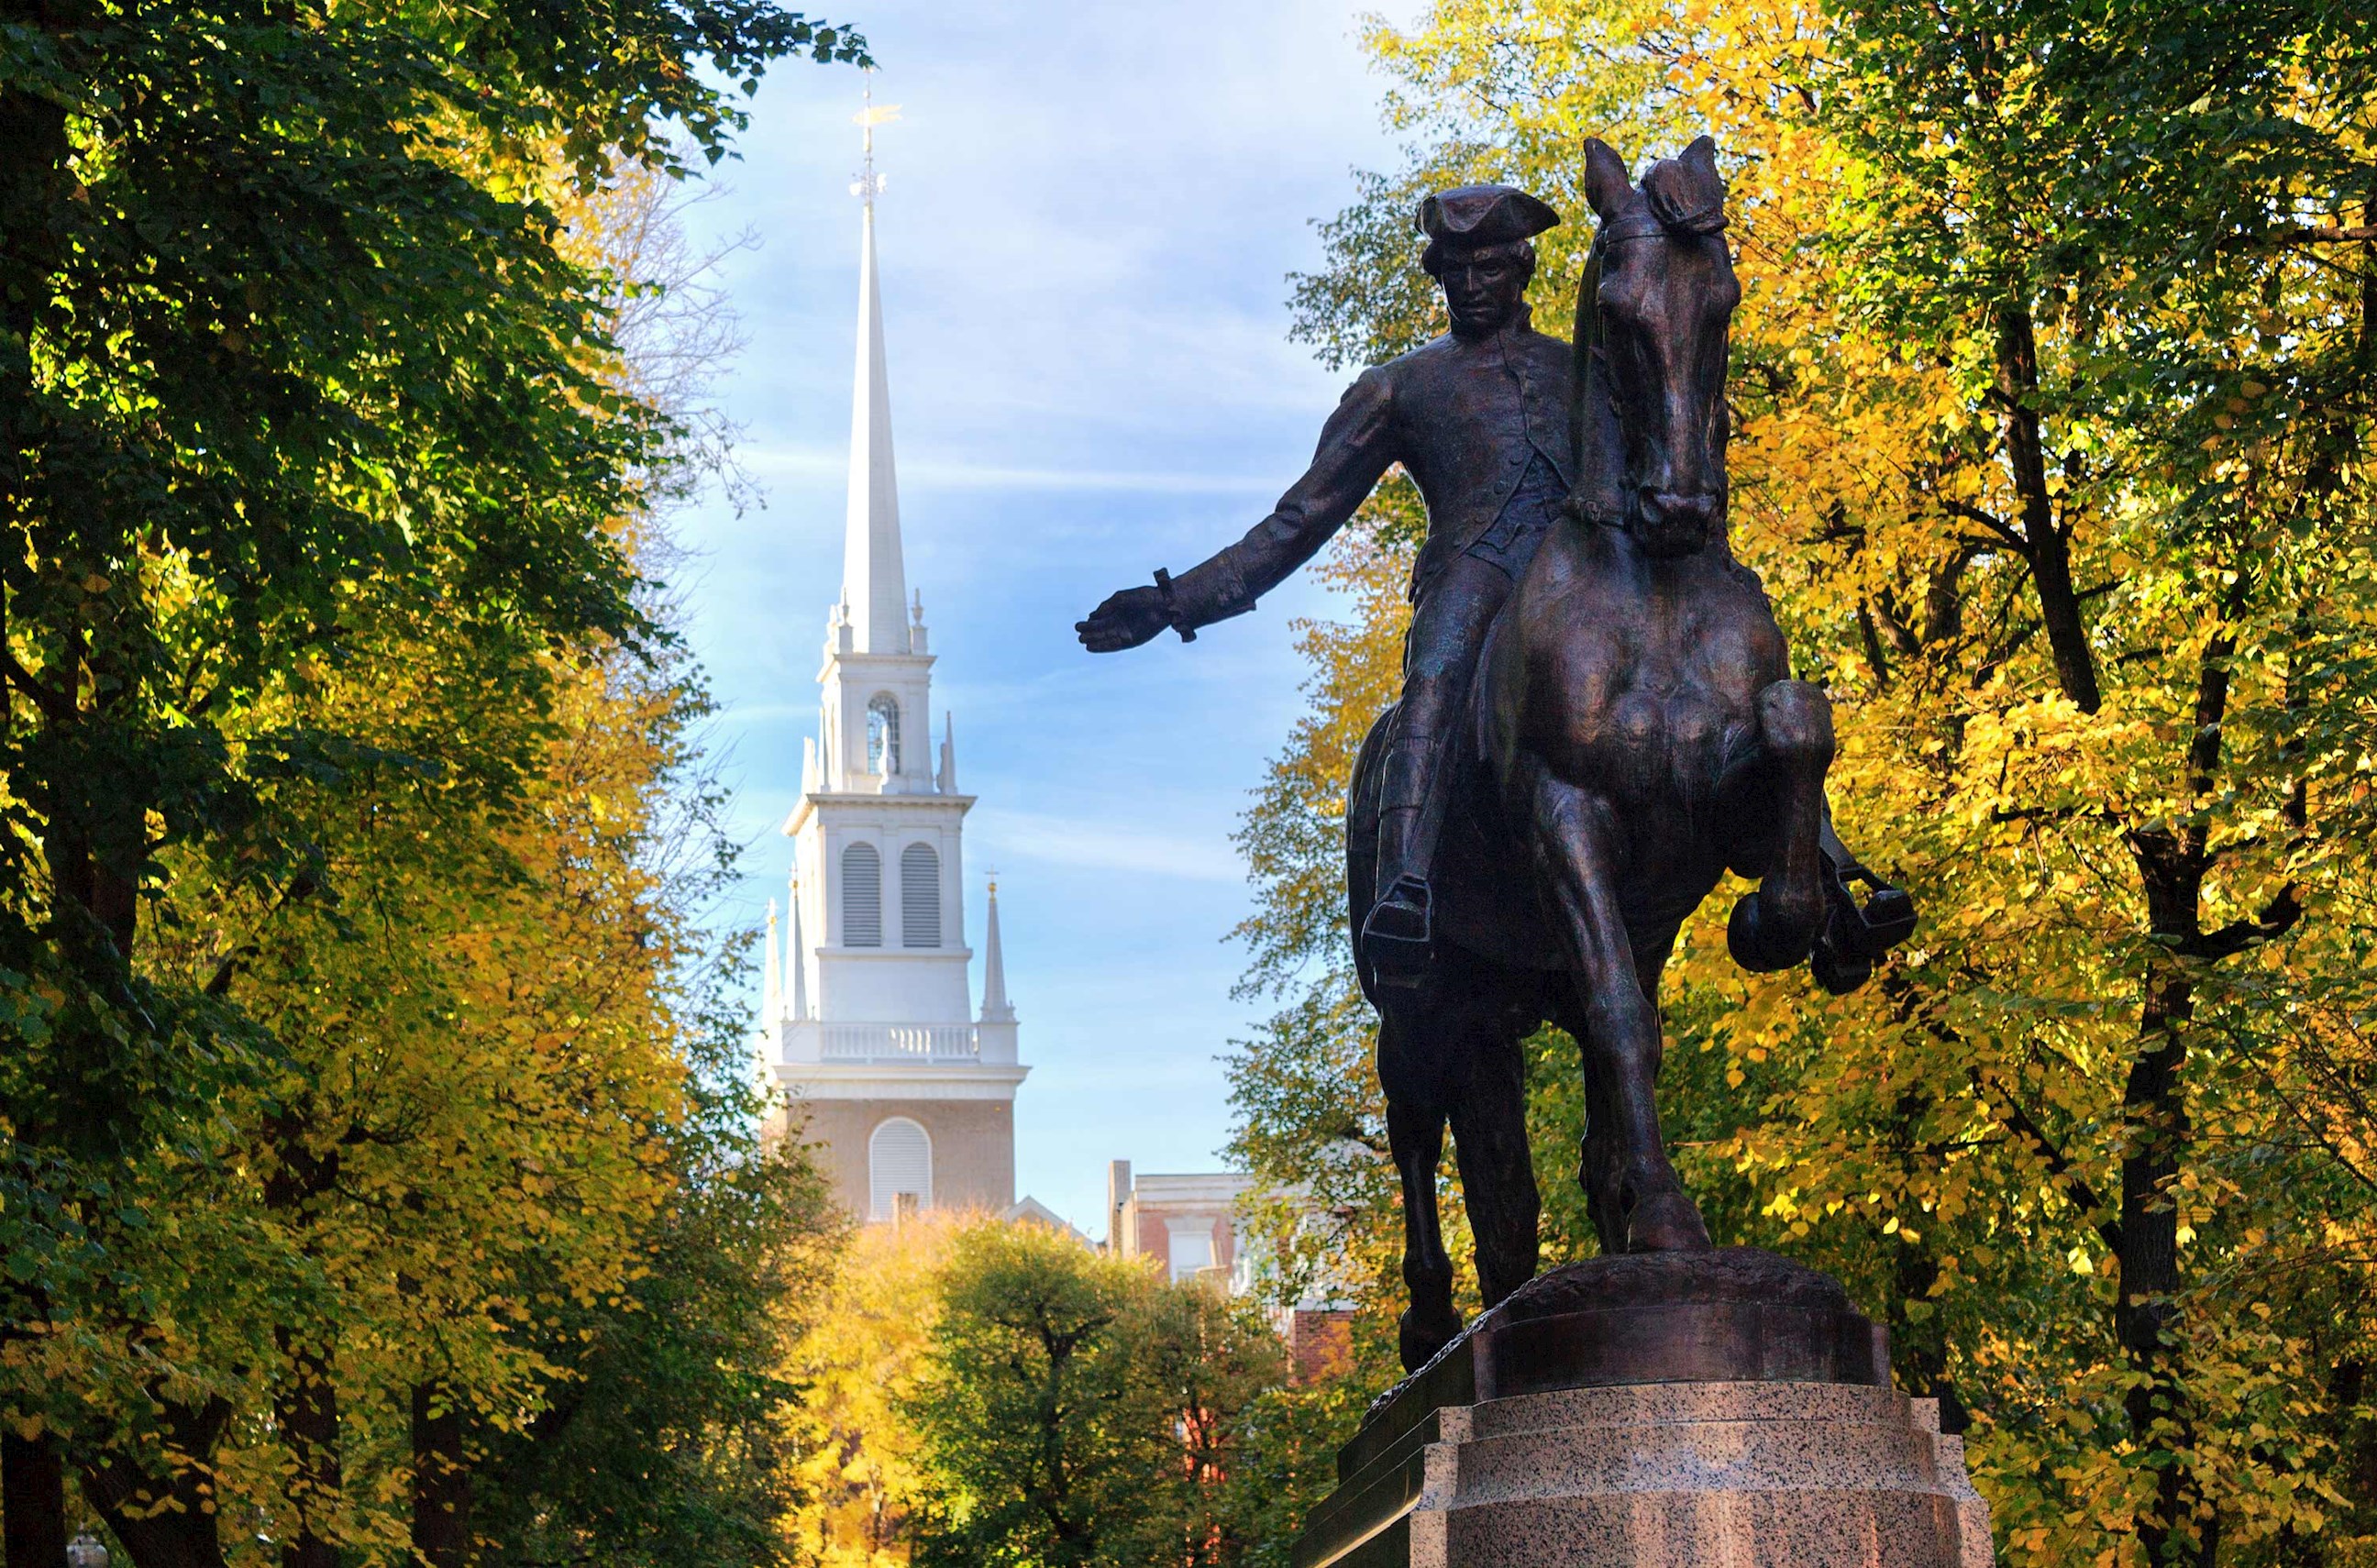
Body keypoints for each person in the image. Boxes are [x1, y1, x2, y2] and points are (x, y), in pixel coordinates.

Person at [1076, 183, 1571, 984]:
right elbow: (1298, 520)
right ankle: (1406, 883)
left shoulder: (1580, 370)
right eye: (1455, 271)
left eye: (1489, 267)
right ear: (1437, 276)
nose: (1473, 286)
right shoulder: (1399, 387)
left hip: (1584, 572)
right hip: (1477, 570)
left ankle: (1816, 857)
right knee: (1437, 681)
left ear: (1523, 265)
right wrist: (1173, 603)